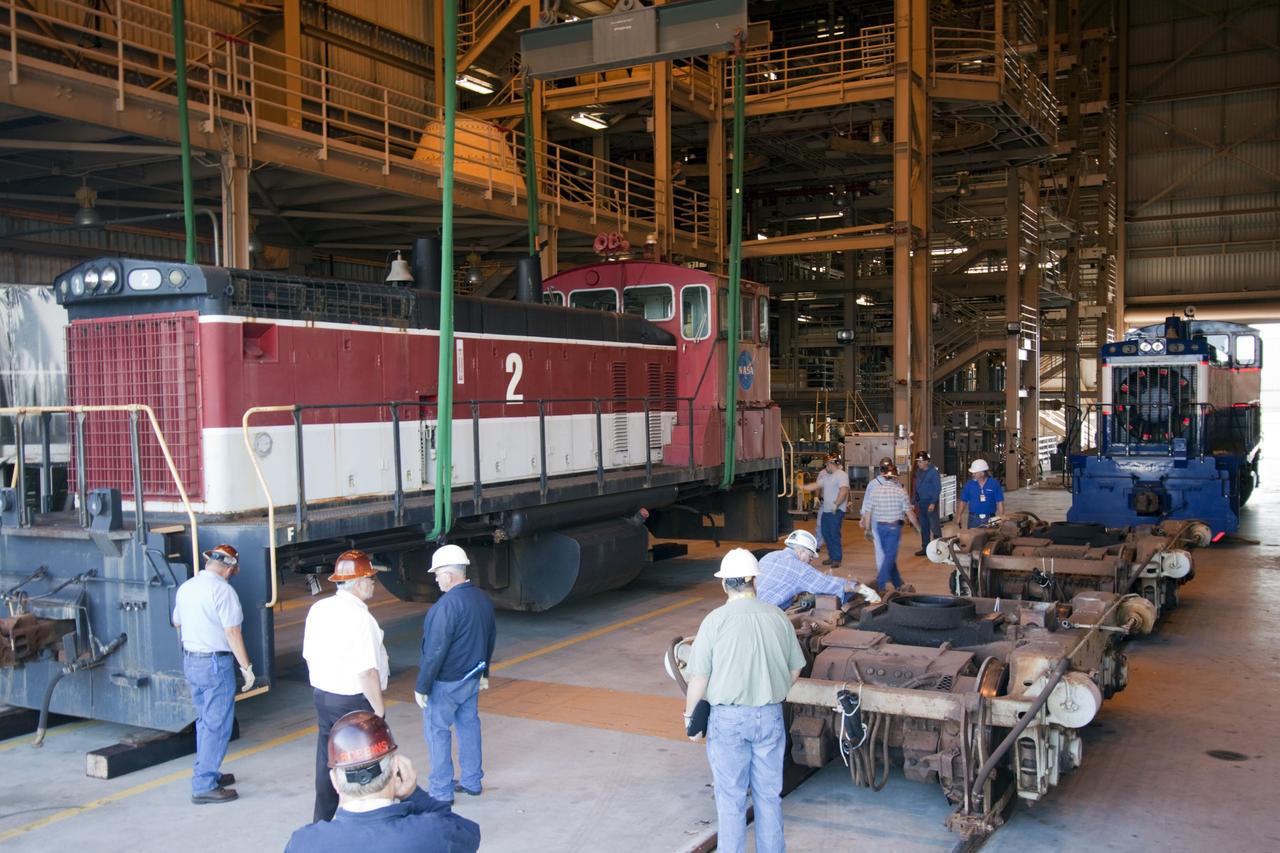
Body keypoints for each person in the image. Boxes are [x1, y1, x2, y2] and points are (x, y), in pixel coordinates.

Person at [683, 549, 805, 853]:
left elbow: (698, 678)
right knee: (768, 796)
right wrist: (773, 688)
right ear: (754, 581)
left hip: (728, 720)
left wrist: (690, 720)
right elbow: (796, 667)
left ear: (724, 584)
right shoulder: (777, 616)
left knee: (731, 799)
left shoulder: (714, 621)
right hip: (770, 715)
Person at [284, 710, 481, 852]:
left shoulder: (303, 843)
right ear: (396, 770)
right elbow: (470, 835)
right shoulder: (431, 832)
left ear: (334, 781)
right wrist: (415, 795)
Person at [303, 549, 391, 823]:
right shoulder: (360, 618)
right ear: (360, 582)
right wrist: (378, 711)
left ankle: (323, 822)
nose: (374, 584)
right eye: (371, 579)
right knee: (365, 768)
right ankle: (363, 823)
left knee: (328, 761)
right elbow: (366, 671)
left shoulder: (319, 609)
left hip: (324, 697)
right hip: (354, 702)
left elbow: (308, 654)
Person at [172, 543, 254, 805]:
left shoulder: (187, 587)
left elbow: (177, 622)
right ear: (228, 568)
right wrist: (246, 667)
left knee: (205, 722)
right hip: (215, 664)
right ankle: (204, 784)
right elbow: (232, 632)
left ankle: (207, 772)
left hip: (192, 661)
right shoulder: (223, 591)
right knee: (217, 725)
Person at [415, 545, 496, 803]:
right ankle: (472, 781)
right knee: (468, 725)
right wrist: (485, 672)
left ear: (449, 575)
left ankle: (441, 791)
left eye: (437, 574)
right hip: (472, 678)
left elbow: (434, 651)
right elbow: (489, 638)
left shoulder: (446, 606)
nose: (437, 580)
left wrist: (422, 686)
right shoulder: (481, 598)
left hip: (446, 684)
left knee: (437, 731)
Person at [755, 529, 878, 609]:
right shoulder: (800, 569)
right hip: (766, 617)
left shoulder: (770, 556)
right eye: (810, 556)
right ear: (801, 550)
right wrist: (859, 588)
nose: (811, 561)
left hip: (747, 608)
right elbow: (831, 585)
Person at [859, 461, 921, 594]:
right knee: (890, 556)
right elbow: (909, 513)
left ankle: (898, 583)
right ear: (895, 477)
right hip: (894, 528)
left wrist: (868, 529)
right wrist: (917, 527)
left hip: (880, 528)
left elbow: (868, 511)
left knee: (888, 555)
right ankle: (879, 585)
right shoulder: (900, 492)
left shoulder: (875, 491)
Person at [800, 456, 850, 567]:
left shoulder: (841, 475)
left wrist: (836, 504)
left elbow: (843, 491)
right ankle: (832, 557)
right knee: (826, 534)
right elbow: (816, 485)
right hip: (827, 510)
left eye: (826, 464)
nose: (825, 467)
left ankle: (837, 559)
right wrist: (803, 487)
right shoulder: (828, 476)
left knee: (833, 534)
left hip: (836, 511)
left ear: (831, 464)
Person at [958, 458, 1005, 528]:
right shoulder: (969, 484)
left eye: (975, 473)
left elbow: (999, 501)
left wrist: (1002, 516)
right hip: (973, 519)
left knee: (990, 538)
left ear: (982, 473)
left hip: (990, 518)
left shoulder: (994, 483)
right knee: (973, 538)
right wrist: (959, 516)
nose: (973, 474)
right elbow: (963, 501)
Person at [912, 451, 943, 556]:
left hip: (930, 503)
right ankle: (925, 548)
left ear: (926, 462)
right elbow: (916, 488)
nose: (918, 464)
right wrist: (914, 502)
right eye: (918, 462)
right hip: (921, 503)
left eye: (920, 462)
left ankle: (939, 548)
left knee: (934, 526)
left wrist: (933, 503)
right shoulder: (919, 472)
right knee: (924, 526)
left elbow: (937, 488)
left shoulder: (933, 472)